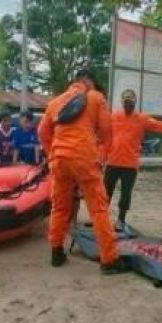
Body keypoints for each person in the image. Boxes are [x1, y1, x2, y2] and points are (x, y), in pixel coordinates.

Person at [38, 69, 130, 274]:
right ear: (88, 81)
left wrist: (52, 153)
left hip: (59, 160)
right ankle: (109, 260)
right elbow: (107, 134)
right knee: (98, 209)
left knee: (60, 207)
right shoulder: (96, 97)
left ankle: (56, 252)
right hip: (84, 159)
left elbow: (42, 132)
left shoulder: (55, 102)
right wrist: (100, 159)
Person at [104, 89, 162, 231]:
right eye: (126, 102)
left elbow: (161, 126)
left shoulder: (142, 119)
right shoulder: (113, 116)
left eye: (131, 103)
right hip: (112, 162)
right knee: (105, 193)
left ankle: (121, 220)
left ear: (135, 103)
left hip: (130, 164)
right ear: (122, 103)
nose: (129, 105)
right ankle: (101, 219)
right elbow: (103, 135)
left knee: (125, 194)